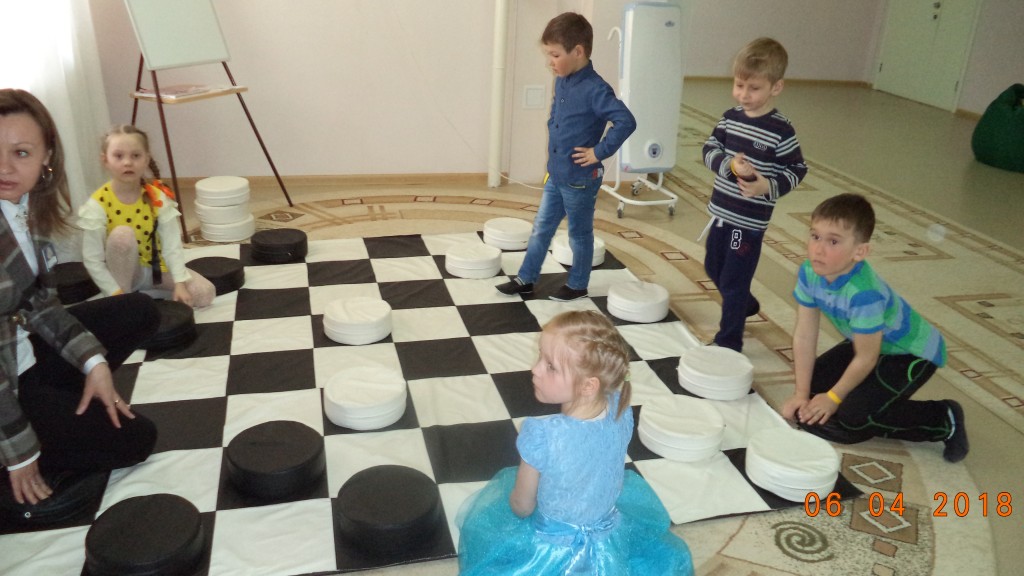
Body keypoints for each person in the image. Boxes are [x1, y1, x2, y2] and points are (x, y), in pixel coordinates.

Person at [0, 89, 159, 509]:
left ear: (46, 156)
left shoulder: (24, 207)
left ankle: (54, 402)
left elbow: (41, 305)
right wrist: (20, 452)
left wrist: (94, 363)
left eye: (21, 152)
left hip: (20, 354)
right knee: (138, 440)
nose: (4, 167)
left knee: (139, 310)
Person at [457, 310, 694, 575]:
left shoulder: (542, 435)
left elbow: (523, 506)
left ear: (588, 386)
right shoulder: (621, 408)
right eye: (540, 356)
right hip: (607, 535)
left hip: (552, 548)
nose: (535, 369)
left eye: (550, 366)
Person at [781, 193, 968, 463]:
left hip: (909, 353)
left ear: (860, 251)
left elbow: (866, 357)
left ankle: (942, 418)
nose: (818, 249)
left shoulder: (864, 293)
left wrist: (834, 397)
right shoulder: (809, 272)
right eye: (815, 236)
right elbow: (804, 335)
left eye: (833, 241)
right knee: (811, 390)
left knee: (851, 420)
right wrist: (801, 394)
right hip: (868, 342)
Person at [496, 12, 636, 302]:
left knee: (579, 235)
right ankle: (526, 278)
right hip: (557, 175)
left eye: (555, 55)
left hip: (581, 180)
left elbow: (626, 121)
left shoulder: (596, 89)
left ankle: (577, 285)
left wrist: (599, 152)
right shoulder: (562, 79)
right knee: (541, 229)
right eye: (548, 54)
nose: (550, 61)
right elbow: (556, 114)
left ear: (578, 52)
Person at [701, 37, 807, 351]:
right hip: (721, 214)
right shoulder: (730, 118)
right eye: (739, 85)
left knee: (733, 280)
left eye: (754, 88)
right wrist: (728, 165)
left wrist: (766, 187)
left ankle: (729, 342)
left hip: (746, 224)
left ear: (776, 87)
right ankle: (744, 303)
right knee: (713, 267)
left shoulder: (780, 130)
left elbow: (797, 168)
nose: (744, 94)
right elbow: (709, 149)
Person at [77, 124, 214, 308]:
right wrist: (115, 292)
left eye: (135, 155)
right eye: (119, 156)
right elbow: (93, 259)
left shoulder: (157, 198)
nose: (128, 162)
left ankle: (148, 294)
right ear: (105, 160)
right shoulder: (98, 204)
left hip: (156, 272)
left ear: (146, 159)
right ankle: (124, 298)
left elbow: (172, 246)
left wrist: (180, 283)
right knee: (122, 235)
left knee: (205, 293)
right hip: (123, 276)